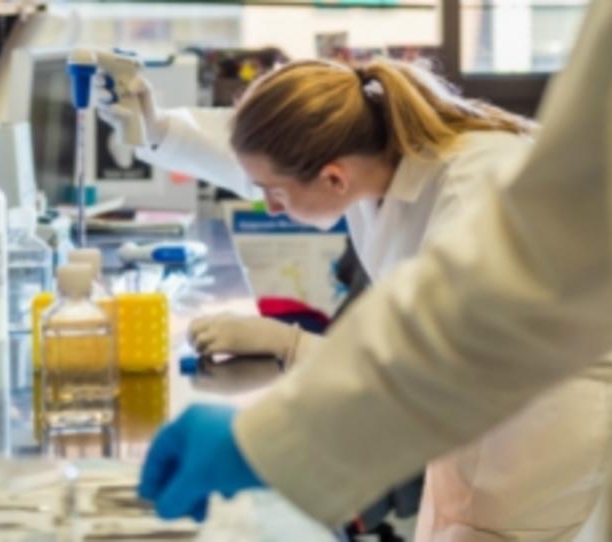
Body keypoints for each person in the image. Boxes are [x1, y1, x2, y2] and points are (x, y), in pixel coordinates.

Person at [97, 1, 612, 536]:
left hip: (539, 419)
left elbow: (485, 321)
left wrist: (277, 429)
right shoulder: (372, 158)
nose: (267, 204)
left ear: (334, 178)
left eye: (273, 195)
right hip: (471, 402)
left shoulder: (474, 180)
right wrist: (158, 131)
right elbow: (272, 164)